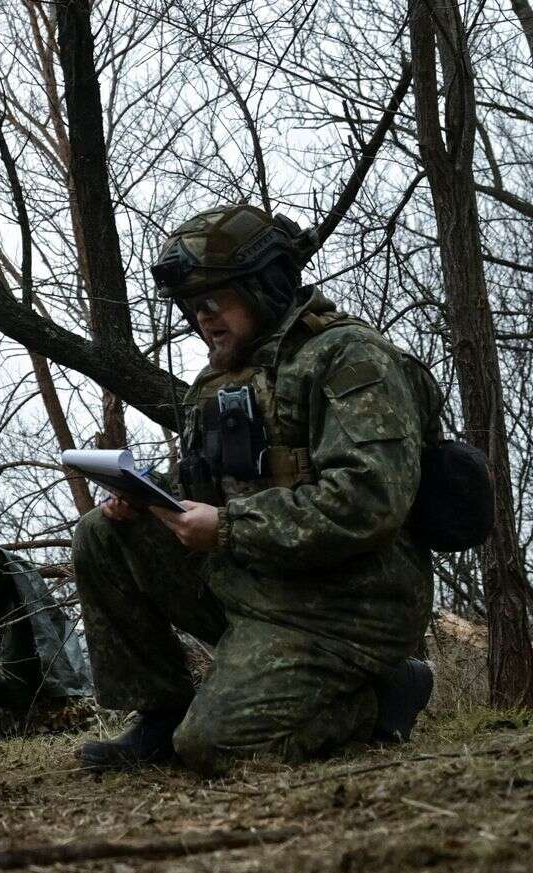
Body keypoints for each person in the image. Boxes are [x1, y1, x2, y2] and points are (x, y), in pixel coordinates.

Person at [73, 204, 438, 774]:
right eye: (193, 307)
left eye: (213, 301)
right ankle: (163, 713)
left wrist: (230, 528)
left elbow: (368, 501)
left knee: (215, 746)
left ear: (263, 285)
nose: (202, 318)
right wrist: (147, 497)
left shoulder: (349, 358)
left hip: (346, 607)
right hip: (258, 581)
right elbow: (210, 484)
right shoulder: (222, 376)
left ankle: (381, 695)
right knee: (103, 533)